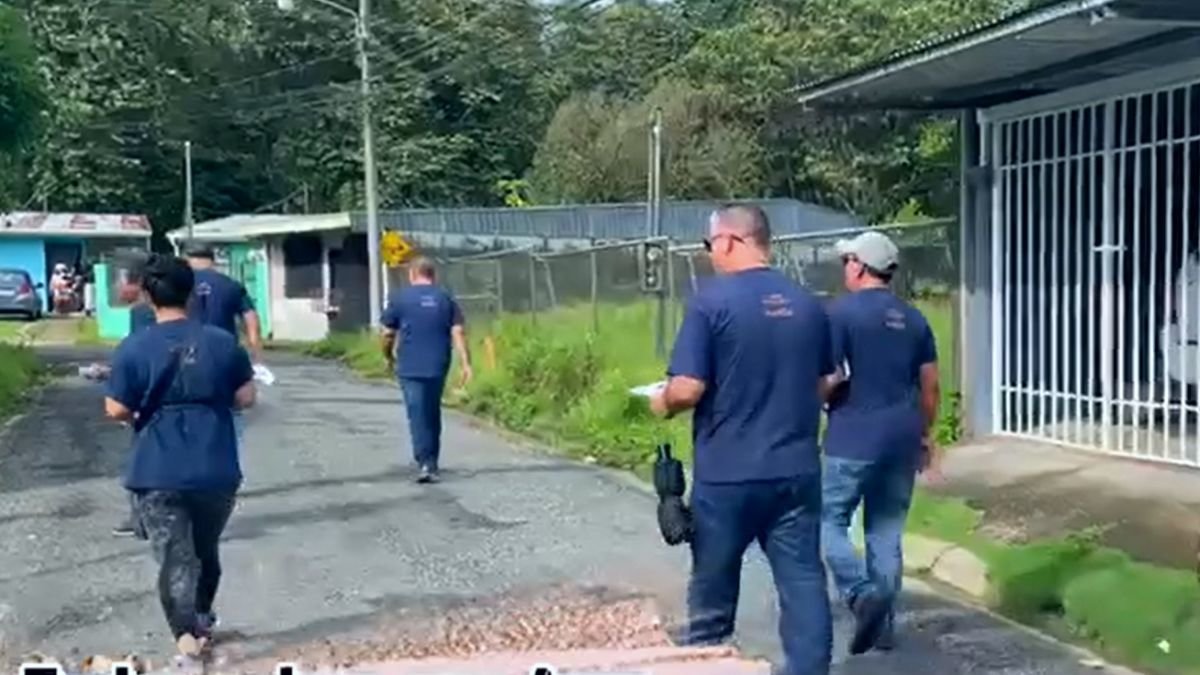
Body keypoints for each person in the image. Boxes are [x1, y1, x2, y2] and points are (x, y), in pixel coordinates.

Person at [649, 205, 835, 675]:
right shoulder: (807, 303)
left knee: (713, 590)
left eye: (711, 246)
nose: (711, 256)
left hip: (728, 475)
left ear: (730, 241)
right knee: (803, 581)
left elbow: (689, 387)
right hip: (795, 469)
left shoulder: (710, 302)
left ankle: (706, 665)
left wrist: (663, 400)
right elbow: (825, 382)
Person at [103, 254, 257, 658]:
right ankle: (202, 618)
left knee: (174, 556)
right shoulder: (223, 343)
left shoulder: (133, 347)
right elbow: (246, 397)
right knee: (206, 551)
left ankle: (185, 633)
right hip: (215, 466)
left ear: (148, 295)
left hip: (157, 468)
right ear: (191, 294)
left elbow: (115, 409)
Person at [820, 230, 942, 655]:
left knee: (827, 521)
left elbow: (831, 376)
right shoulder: (914, 319)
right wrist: (925, 435)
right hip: (902, 438)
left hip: (852, 437)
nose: (843, 269)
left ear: (858, 266)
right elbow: (930, 387)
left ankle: (859, 592)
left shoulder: (839, 314)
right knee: (885, 533)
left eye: (845, 262)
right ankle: (884, 627)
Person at [380, 257, 473, 484]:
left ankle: (425, 463)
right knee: (432, 411)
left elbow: (387, 333)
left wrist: (388, 355)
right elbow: (458, 333)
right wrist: (466, 364)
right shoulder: (445, 298)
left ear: (412, 274)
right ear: (433, 275)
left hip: (410, 365)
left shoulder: (400, 298)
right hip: (438, 363)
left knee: (417, 413)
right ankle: (431, 460)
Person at [183, 242, 263, 449]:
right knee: (230, 409)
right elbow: (251, 320)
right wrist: (255, 355)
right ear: (213, 260)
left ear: (186, 259)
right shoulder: (231, 285)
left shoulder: (179, 284)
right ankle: (228, 461)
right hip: (225, 355)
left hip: (185, 355)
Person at [111, 252, 158, 538]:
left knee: (142, 460)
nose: (117, 288)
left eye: (120, 280)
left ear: (136, 282)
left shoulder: (142, 312)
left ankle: (141, 519)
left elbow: (142, 355)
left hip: (151, 398)